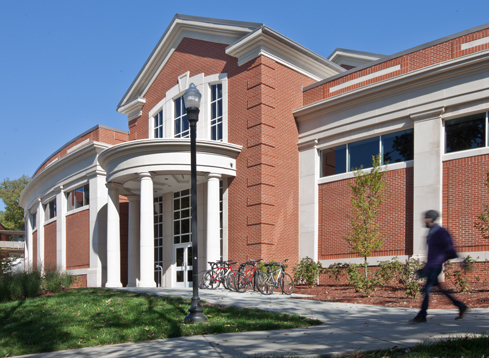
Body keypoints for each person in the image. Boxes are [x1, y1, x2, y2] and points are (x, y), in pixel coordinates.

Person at [409, 210, 468, 323]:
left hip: (435, 266)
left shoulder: (440, 232)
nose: (424, 220)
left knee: (426, 290)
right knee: (440, 290)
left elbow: (449, 246)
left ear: (431, 219)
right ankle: (460, 306)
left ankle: (422, 315)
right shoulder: (431, 232)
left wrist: (460, 260)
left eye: (426, 217)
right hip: (431, 266)